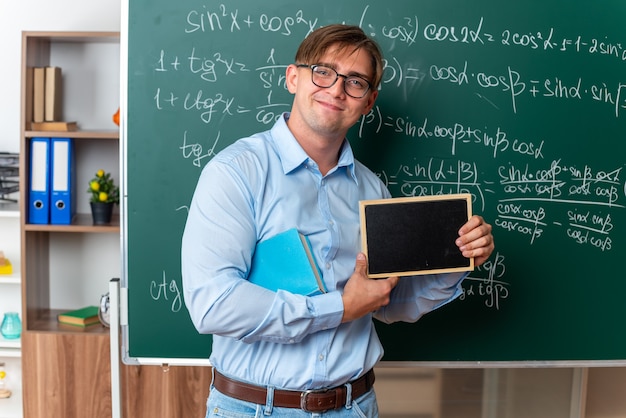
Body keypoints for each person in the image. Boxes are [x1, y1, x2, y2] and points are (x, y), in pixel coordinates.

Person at [182, 24, 494, 417]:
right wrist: (339, 308)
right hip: (254, 408)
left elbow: (389, 302)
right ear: (293, 77)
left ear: (369, 102)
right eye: (323, 71)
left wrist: (458, 258)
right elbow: (213, 303)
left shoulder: (372, 191)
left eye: (356, 82)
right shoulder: (236, 173)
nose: (336, 89)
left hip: (355, 407)